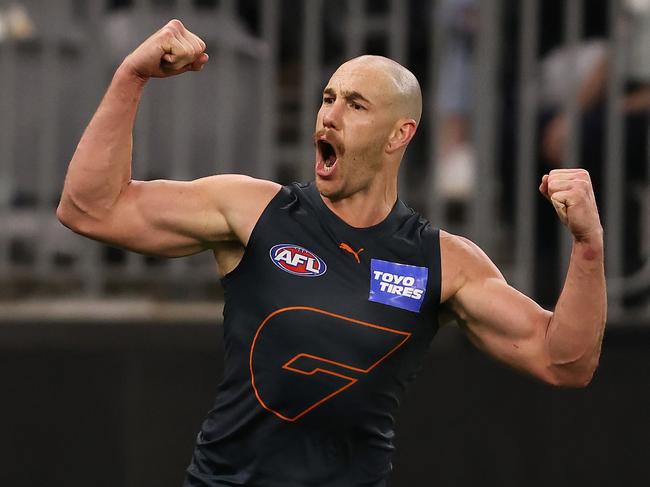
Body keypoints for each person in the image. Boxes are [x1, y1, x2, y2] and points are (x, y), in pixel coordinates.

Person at [57, 20, 606, 487]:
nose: (329, 115)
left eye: (355, 104)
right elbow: (90, 208)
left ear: (398, 135)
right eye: (327, 98)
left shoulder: (445, 262)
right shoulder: (254, 211)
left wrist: (586, 248)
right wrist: (131, 76)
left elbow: (564, 362)